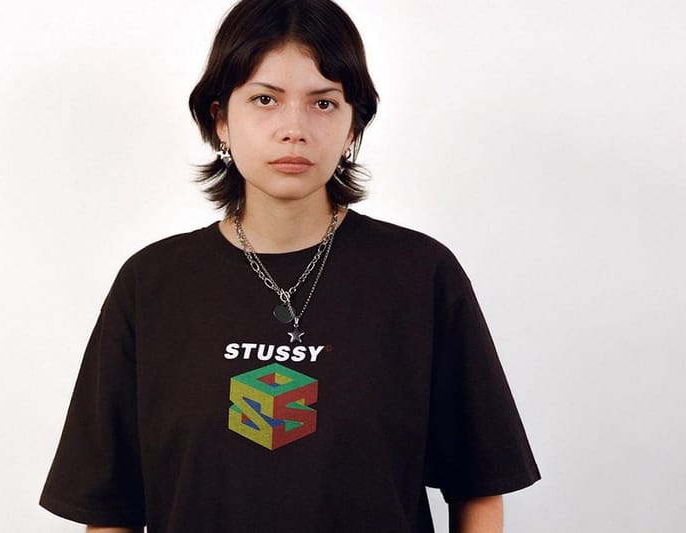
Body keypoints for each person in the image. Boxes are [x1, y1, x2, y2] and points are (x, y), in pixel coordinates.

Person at [39, 0, 541, 531]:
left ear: (353, 126)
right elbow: (109, 509)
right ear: (220, 120)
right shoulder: (152, 284)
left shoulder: (421, 276)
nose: (294, 128)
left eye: (323, 103)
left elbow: (478, 486)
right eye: (265, 99)